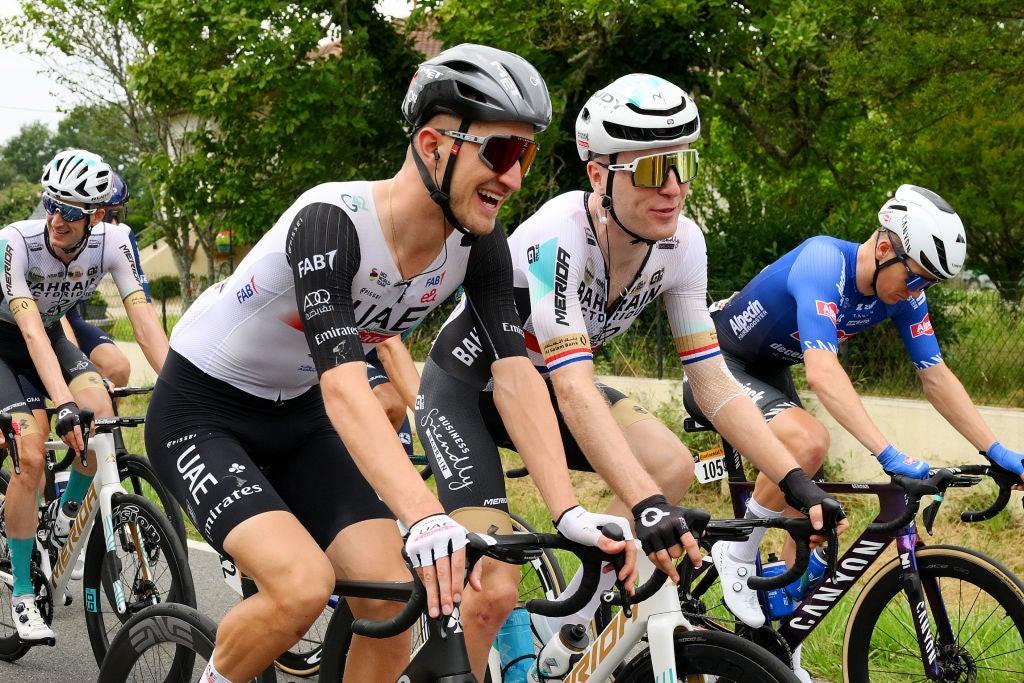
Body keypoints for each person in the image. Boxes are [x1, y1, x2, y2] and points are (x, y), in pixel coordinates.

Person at [144, 44, 635, 683]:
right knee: (300, 588)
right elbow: (346, 387)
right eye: (501, 152)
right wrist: (424, 514)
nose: (514, 178)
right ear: (433, 145)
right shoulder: (332, 222)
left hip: (299, 420)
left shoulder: (478, 243)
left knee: (396, 598)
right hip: (201, 412)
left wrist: (566, 511)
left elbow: (515, 376)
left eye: (527, 155)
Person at [416, 73, 845, 678]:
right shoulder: (560, 233)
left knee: (671, 465)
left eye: (683, 165)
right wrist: (644, 507)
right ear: (599, 175)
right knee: (493, 589)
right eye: (649, 171)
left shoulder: (683, 245)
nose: (673, 187)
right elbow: (573, 387)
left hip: (551, 387)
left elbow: (712, 382)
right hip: (469, 389)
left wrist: (793, 479)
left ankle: (568, 625)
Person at [683, 183, 1024, 677]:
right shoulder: (824, 262)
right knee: (808, 441)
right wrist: (887, 453)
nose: (918, 291)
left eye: (929, 284)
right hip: (717, 363)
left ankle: (778, 650)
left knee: (810, 527)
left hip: (767, 373)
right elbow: (822, 373)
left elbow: (934, 374)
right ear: (885, 247)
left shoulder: (903, 293)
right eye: (916, 277)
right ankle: (737, 549)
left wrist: (996, 449)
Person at [0, 149, 168, 643]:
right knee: (31, 454)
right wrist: (63, 404)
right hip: (7, 342)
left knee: (101, 416)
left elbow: (144, 320)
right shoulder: (15, 241)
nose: (56, 219)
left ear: (95, 216)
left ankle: (65, 517)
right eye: (51, 205)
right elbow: (29, 331)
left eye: (71, 212)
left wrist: (184, 384)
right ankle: (24, 592)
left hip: (49, 335)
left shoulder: (115, 240)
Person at [61, 171, 149, 389]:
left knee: (117, 369)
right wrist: (80, 371)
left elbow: (144, 309)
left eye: (120, 214)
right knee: (80, 381)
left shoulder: (122, 237)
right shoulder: (62, 235)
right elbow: (52, 315)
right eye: (109, 216)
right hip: (29, 323)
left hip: (69, 315)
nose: (115, 223)